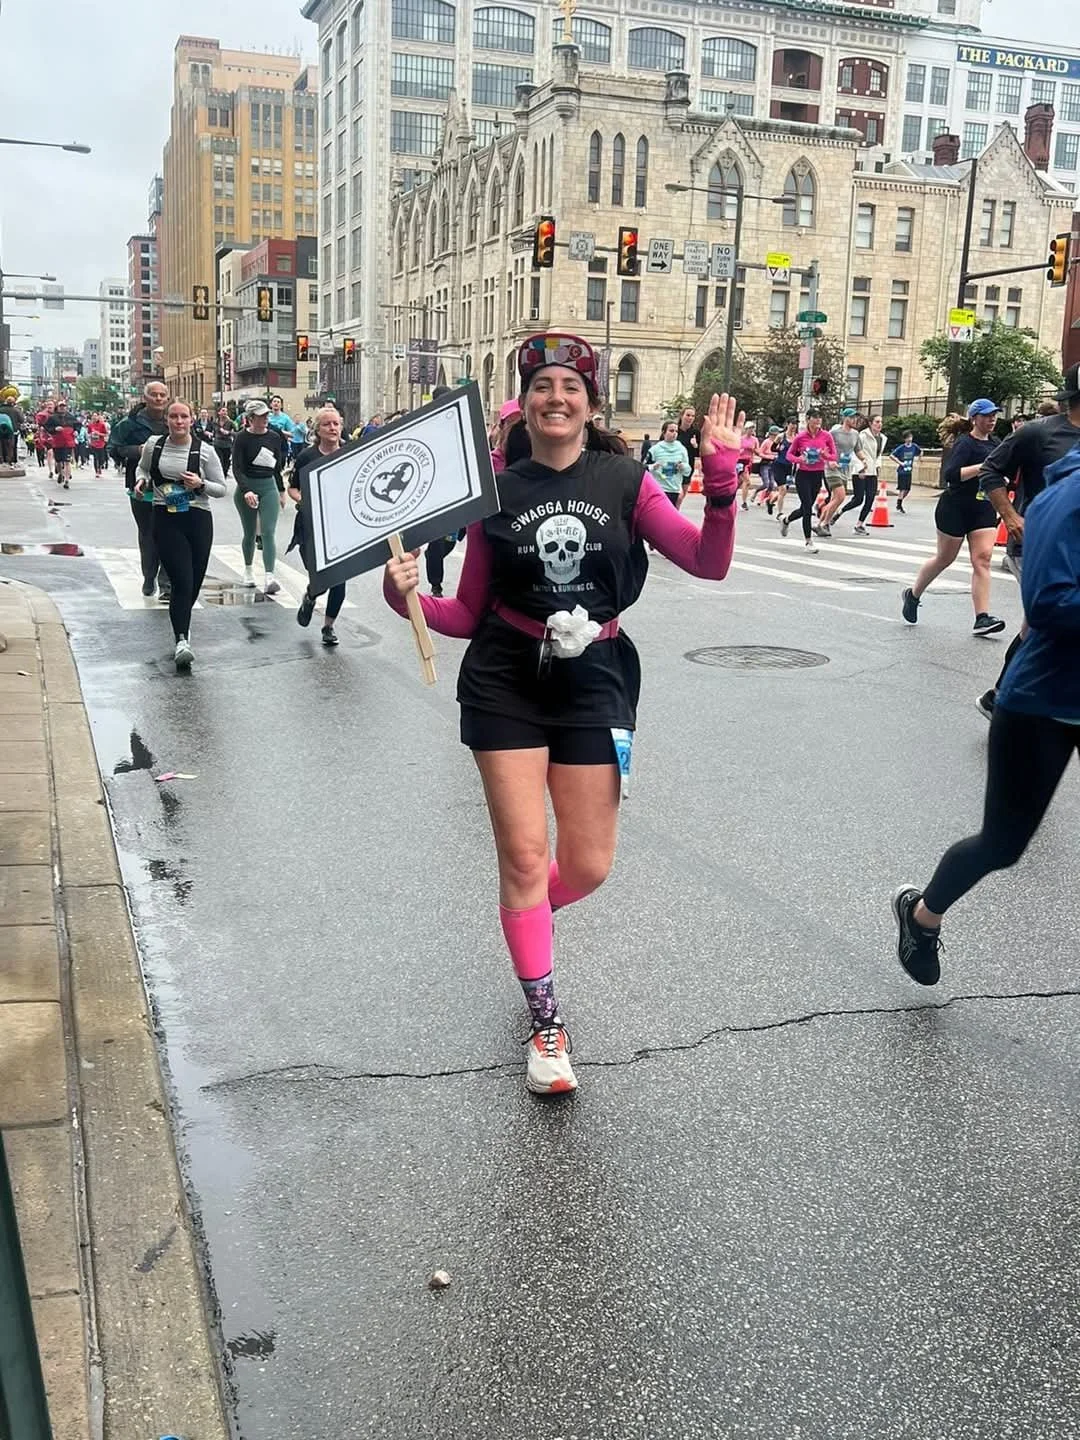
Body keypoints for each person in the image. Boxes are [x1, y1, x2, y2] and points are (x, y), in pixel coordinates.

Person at [383, 331, 741, 1096]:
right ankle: (546, 1019)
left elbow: (709, 563)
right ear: (527, 400)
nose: (556, 397)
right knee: (521, 858)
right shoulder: (496, 493)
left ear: (590, 401)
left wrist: (722, 481)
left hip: (596, 678)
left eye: (570, 386)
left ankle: (525, 921)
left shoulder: (625, 480)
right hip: (505, 678)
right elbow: (463, 612)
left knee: (585, 865)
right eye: (541, 384)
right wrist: (403, 592)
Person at [892, 446, 1080, 986]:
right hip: (1042, 702)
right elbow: (1046, 603)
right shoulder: (1062, 501)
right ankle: (922, 916)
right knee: (1003, 843)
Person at [972, 362, 1080, 718]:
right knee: (1040, 622)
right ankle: (1005, 698)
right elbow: (991, 470)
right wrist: (1009, 514)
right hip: (1036, 544)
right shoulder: (1038, 434)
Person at [134, 400, 226, 671]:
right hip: (165, 516)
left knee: (194, 583)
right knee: (181, 581)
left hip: (197, 517)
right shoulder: (155, 445)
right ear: (167, 420)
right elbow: (142, 468)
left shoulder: (205, 451)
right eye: (173, 416)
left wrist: (201, 484)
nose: (178, 421)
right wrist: (141, 481)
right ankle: (181, 641)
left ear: (191, 420)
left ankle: (183, 625)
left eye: (183, 416)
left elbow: (221, 489)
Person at [901, 401, 1005, 637]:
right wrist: (983, 467)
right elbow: (951, 475)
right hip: (955, 508)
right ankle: (913, 594)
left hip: (983, 507)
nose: (992, 420)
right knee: (944, 558)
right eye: (987, 416)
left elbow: (1001, 468)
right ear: (974, 418)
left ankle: (982, 617)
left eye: (995, 416)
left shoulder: (996, 443)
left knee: (983, 559)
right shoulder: (965, 443)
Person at [290, 407, 349, 646]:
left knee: (340, 579)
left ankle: (328, 627)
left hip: (341, 526)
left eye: (336, 424)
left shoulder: (349, 451)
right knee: (320, 579)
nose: (332, 428)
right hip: (311, 527)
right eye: (327, 424)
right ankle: (311, 596)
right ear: (318, 430)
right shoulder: (307, 456)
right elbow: (292, 488)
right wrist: (304, 502)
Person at [110, 381, 172, 599]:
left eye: (162, 395)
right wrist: (137, 450)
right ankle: (149, 576)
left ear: (167, 398)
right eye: (153, 395)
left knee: (173, 533)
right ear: (145, 398)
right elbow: (114, 449)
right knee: (148, 534)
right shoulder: (130, 423)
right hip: (140, 486)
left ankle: (167, 583)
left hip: (172, 486)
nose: (158, 398)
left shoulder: (173, 421)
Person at [232, 399, 288, 593]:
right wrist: (246, 490)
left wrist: (281, 491)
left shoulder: (274, 436)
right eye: (260, 416)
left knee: (268, 532)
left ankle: (269, 576)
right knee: (249, 532)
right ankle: (248, 570)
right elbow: (237, 468)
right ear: (250, 418)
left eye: (266, 415)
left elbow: (277, 466)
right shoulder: (241, 438)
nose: (265, 419)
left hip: (268, 486)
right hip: (247, 486)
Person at [781, 410, 837, 553]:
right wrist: (800, 459)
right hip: (803, 475)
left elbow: (834, 455)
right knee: (807, 508)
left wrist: (826, 455)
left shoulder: (826, 436)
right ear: (808, 419)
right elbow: (789, 455)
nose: (818, 421)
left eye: (820, 418)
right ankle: (808, 541)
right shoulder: (801, 437)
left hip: (817, 474)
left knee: (805, 507)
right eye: (815, 418)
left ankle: (786, 519)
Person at [835, 414, 885, 533]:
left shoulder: (882, 438)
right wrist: (860, 469)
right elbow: (856, 452)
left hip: (872, 471)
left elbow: (878, 455)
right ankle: (839, 512)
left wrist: (878, 467)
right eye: (877, 422)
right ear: (870, 423)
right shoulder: (862, 435)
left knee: (870, 499)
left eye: (881, 422)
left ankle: (859, 525)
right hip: (860, 471)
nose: (879, 424)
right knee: (858, 499)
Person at [817, 409, 863, 535]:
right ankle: (824, 524)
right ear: (845, 418)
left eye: (856, 418)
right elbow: (823, 448)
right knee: (841, 497)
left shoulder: (855, 434)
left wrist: (864, 460)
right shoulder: (834, 432)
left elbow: (858, 450)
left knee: (834, 499)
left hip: (844, 469)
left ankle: (818, 525)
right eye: (852, 417)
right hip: (831, 469)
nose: (855, 420)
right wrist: (829, 460)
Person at [646, 418, 692, 503]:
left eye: (676, 431)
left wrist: (683, 466)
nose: (674, 433)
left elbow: (688, 471)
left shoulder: (682, 449)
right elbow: (644, 468)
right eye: (671, 431)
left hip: (675, 490)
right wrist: (653, 466)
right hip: (659, 490)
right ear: (663, 432)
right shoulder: (655, 449)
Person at [44, 400, 78, 488]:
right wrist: (55, 429)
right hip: (57, 443)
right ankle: (60, 473)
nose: (62, 408)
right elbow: (47, 427)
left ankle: (66, 480)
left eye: (64, 406)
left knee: (67, 461)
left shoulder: (71, 417)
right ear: (58, 407)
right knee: (58, 461)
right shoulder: (53, 417)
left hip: (68, 443)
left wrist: (76, 431)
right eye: (60, 406)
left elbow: (78, 425)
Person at [769, 418, 798, 519]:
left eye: (795, 424)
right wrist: (780, 450)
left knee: (784, 491)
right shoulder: (781, 436)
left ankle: (770, 501)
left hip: (790, 466)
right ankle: (780, 513)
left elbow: (798, 453)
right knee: (782, 489)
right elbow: (772, 448)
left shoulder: (797, 438)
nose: (794, 426)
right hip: (779, 465)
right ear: (787, 424)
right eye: (792, 424)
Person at [890, 430, 921, 513]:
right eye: (907, 438)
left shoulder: (914, 446)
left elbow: (920, 452)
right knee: (902, 489)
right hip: (902, 471)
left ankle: (899, 501)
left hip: (909, 471)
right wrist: (900, 463)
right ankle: (899, 505)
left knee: (907, 489)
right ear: (905, 439)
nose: (909, 439)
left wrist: (919, 459)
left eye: (910, 437)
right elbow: (891, 455)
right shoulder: (901, 448)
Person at [676, 404, 700, 508]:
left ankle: (675, 513)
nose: (690, 418)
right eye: (688, 415)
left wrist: (695, 445)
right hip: (674, 467)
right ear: (682, 416)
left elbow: (698, 453)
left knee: (682, 495)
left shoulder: (695, 433)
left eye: (692, 416)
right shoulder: (675, 430)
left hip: (688, 466)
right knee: (676, 495)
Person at [212, 406, 236, 477]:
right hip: (217, 444)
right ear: (219, 412)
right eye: (223, 411)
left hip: (227, 444)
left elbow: (237, 433)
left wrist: (228, 433)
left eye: (226, 411)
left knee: (226, 462)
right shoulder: (215, 422)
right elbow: (214, 432)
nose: (225, 412)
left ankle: (224, 474)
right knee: (220, 461)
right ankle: (220, 475)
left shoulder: (230, 422)